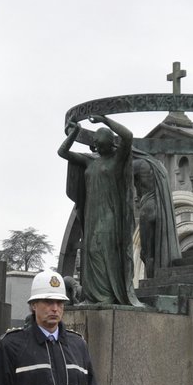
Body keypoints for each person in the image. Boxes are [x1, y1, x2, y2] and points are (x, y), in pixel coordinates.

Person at [58, 113, 142, 306]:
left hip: (110, 215)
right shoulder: (90, 161)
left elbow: (128, 136)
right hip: (92, 215)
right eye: (95, 138)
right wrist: (75, 132)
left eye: (100, 137)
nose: (96, 140)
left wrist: (105, 120)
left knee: (105, 252)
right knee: (91, 253)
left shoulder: (117, 160)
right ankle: (92, 297)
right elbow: (62, 152)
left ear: (109, 141)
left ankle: (107, 296)